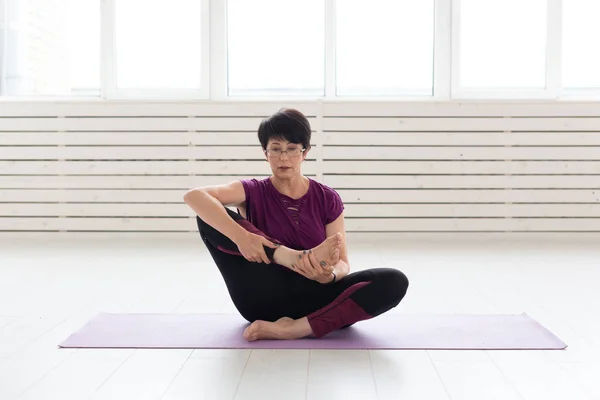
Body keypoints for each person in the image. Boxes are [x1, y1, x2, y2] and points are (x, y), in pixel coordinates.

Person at [183, 108, 409, 341]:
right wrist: (244, 238)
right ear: (265, 153)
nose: (283, 158)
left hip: (315, 297)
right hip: (263, 298)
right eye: (275, 149)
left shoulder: (327, 198)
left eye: (292, 149)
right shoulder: (251, 191)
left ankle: (296, 328)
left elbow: (342, 263)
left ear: (305, 152)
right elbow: (194, 196)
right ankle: (287, 256)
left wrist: (329, 275)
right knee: (209, 216)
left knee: (394, 281)